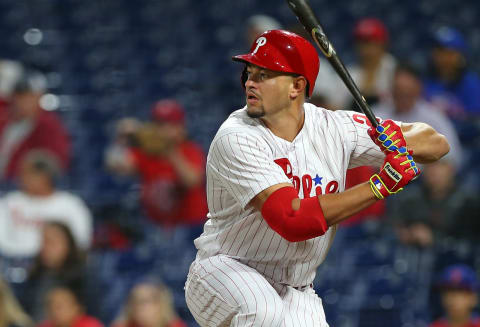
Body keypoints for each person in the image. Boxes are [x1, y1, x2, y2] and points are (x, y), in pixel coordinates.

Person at [184, 29, 449, 326]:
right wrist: (377, 186)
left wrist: (399, 140)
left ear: (296, 86)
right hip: (225, 270)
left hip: (296, 286)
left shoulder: (333, 127)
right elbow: (292, 219)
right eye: (249, 73)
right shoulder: (236, 137)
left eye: (263, 74)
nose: (249, 82)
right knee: (262, 312)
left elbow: (437, 143)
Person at [106, 100, 207, 227]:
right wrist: (120, 140)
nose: (164, 130)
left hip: (192, 226)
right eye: (160, 124)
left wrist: (170, 152)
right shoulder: (146, 152)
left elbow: (193, 181)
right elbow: (114, 165)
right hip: (157, 228)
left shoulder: (190, 150)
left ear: (181, 128)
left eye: (171, 124)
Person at [0, 151, 92, 259]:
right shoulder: (9, 201)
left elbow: (81, 241)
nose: (20, 178)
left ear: (45, 176)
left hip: (58, 265)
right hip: (14, 262)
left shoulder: (71, 204)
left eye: (27, 174)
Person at [373, 63, 463, 168]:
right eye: (399, 91)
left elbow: (453, 153)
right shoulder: (376, 115)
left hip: (423, 178)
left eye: (408, 92)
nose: (403, 96)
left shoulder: (433, 116)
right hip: (382, 176)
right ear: (391, 90)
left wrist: (441, 165)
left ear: (418, 89)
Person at [387, 158, 479, 247]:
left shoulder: (469, 202)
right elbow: (391, 228)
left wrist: (434, 238)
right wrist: (409, 234)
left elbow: (468, 240)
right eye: (429, 165)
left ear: (452, 168)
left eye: (440, 165)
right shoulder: (410, 198)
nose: (434, 171)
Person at [313, 18, 396, 110]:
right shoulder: (350, 73)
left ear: (383, 43)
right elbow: (335, 106)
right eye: (362, 42)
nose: (366, 48)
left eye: (371, 41)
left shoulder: (394, 69)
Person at [0, 70, 70, 180]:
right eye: (20, 96)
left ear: (39, 97)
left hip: (22, 186)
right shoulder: (5, 119)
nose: (24, 102)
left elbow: (56, 163)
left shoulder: (48, 126)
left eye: (30, 97)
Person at [17, 221, 88, 323]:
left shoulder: (83, 277)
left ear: (67, 244)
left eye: (51, 242)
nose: (45, 248)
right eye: (43, 242)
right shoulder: (35, 276)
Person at [424, 26, 480, 118]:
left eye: (449, 52)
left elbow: (475, 119)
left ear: (461, 56)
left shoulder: (471, 84)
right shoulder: (424, 82)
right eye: (439, 50)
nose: (444, 57)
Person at [112, 279, 186, 327]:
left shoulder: (175, 325)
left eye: (145, 302)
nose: (140, 308)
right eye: (136, 302)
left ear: (160, 305)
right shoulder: (123, 325)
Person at [37, 285, 103, 327]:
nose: (53, 311)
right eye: (50, 307)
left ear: (75, 308)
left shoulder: (91, 325)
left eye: (59, 307)